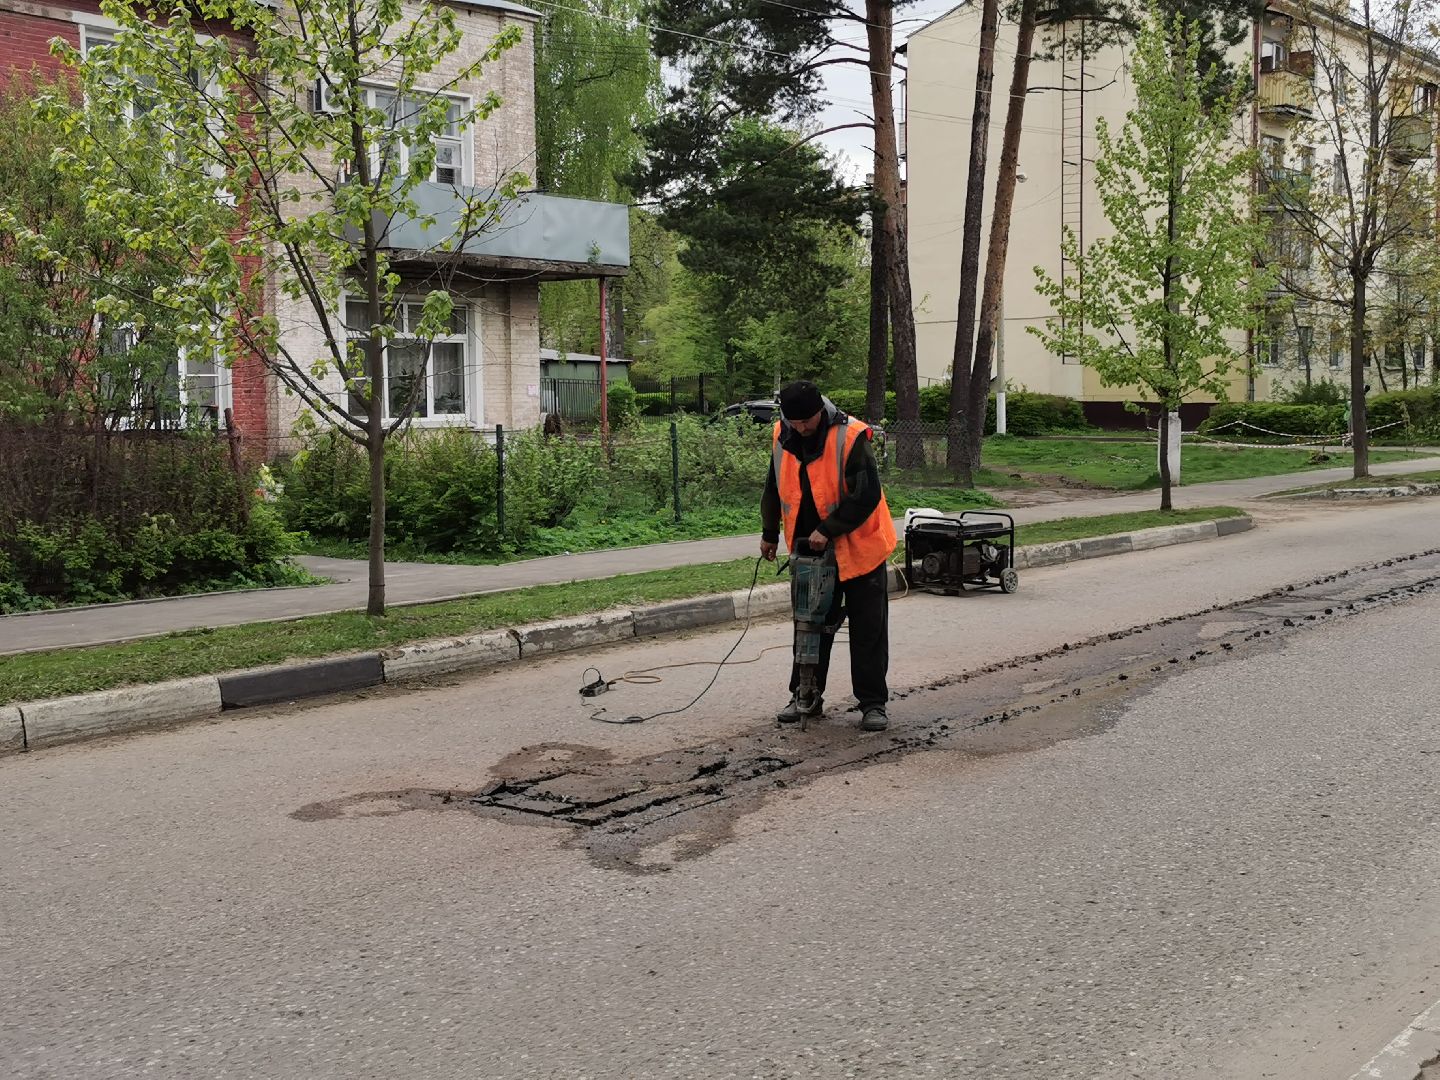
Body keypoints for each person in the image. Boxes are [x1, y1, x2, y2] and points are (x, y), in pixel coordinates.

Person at [760, 380, 897, 731]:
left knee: (868, 631)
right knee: (809, 627)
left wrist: (829, 528)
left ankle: (873, 704)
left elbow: (866, 495)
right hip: (811, 552)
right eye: (794, 422)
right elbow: (773, 486)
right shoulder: (782, 434)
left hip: (861, 549)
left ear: (820, 411)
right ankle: (805, 695)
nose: (801, 428)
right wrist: (769, 533)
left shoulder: (850, 437)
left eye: (806, 421)